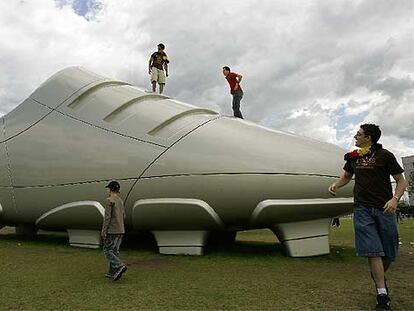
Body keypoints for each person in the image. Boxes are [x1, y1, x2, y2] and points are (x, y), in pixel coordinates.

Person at [328, 124, 407, 311]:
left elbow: (401, 180)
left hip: (384, 209)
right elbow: (347, 176)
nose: (356, 136)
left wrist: (395, 199)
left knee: (389, 250)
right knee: (373, 251)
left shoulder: (385, 155)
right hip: (362, 209)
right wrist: (336, 184)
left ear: (369, 137)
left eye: (359, 134)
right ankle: (382, 294)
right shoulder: (353, 157)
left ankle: (379, 276)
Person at [101, 181, 127, 281]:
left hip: (112, 230)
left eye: (107, 188)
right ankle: (112, 272)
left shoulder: (109, 200)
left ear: (110, 189)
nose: (107, 190)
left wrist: (104, 232)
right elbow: (124, 216)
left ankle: (120, 265)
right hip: (121, 230)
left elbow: (107, 217)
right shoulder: (120, 201)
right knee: (115, 251)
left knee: (107, 250)